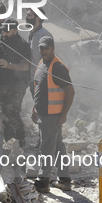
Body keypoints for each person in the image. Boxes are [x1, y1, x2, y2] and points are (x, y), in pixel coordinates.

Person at [32, 36, 75, 193]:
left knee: (47, 148)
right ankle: (64, 180)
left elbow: (70, 91)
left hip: (52, 115)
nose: (43, 51)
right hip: (44, 113)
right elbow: (39, 88)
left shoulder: (57, 67)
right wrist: (34, 107)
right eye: (41, 48)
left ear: (52, 48)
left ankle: (43, 182)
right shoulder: (42, 64)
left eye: (46, 48)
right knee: (57, 147)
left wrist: (64, 114)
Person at [0, 17, 31, 149]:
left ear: (15, 30)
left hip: (17, 84)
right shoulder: (0, 39)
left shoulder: (22, 45)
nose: (4, 34)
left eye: (7, 32)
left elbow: (25, 66)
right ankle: (9, 138)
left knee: (11, 111)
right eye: (3, 31)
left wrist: (9, 65)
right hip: (2, 82)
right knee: (3, 110)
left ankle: (20, 138)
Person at [26, 8, 52, 93]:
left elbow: (48, 60)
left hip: (41, 80)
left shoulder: (44, 35)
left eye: (29, 15)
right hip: (32, 78)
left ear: (37, 18)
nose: (26, 17)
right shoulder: (31, 32)